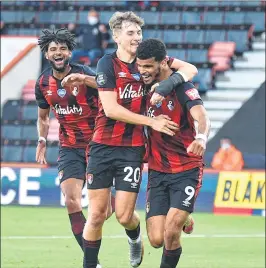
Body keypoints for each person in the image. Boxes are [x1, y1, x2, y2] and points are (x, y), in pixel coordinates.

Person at [81, 11, 198, 268]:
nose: (137, 37)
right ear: (116, 36)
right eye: (131, 33)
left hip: (132, 150)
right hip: (102, 146)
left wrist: (167, 86)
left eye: (139, 32)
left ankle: (134, 239)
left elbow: (190, 69)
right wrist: (151, 121)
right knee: (98, 214)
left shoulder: (147, 61)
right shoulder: (106, 63)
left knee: (124, 217)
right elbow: (110, 109)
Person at [35, 28, 113, 268]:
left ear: (69, 52)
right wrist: (42, 140)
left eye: (62, 48)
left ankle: (91, 234)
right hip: (69, 148)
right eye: (52, 49)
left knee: (105, 211)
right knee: (71, 201)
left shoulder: (84, 73)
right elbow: (43, 117)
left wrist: (83, 80)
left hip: (97, 146)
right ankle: (93, 262)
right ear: (47, 55)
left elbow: (107, 88)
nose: (58, 53)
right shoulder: (42, 83)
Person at [136, 38, 211, 268]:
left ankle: (179, 218)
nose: (142, 71)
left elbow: (202, 116)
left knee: (170, 233)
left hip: (186, 169)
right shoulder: (142, 84)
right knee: (156, 239)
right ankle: (185, 217)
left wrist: (201, 137)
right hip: (158, 171)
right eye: (140, 66)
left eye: (148, 66)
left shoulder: (183, 87)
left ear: (162, 63)